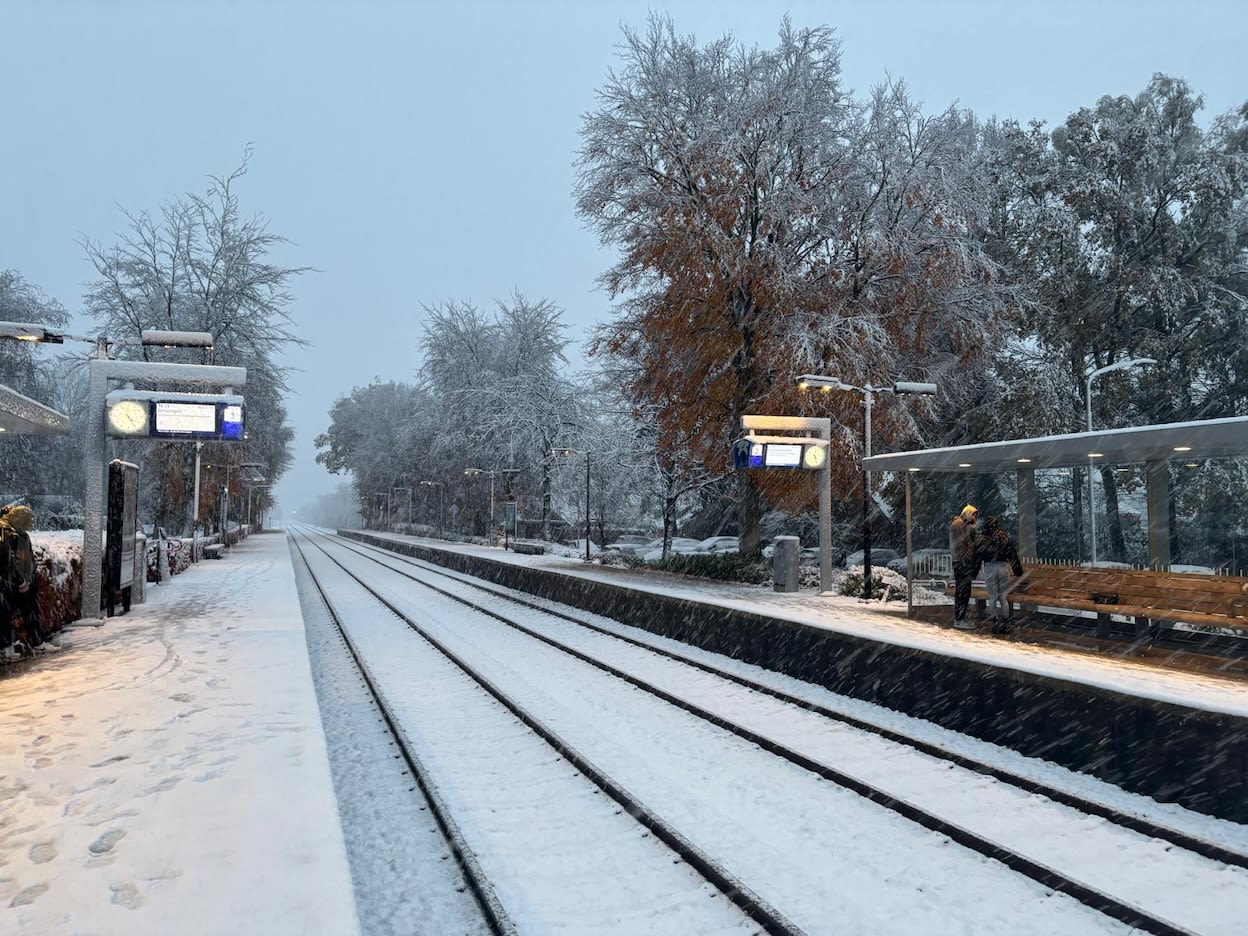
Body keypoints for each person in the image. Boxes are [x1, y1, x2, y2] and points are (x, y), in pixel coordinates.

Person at [0, 504, 47, 656]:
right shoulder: (6, 532)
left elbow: (23, 560)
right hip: (10, 583)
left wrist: (28, 580)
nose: (30, 524)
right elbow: (7, 561)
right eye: (27, 520)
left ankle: (34, 642)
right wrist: (19, 580)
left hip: (17, 583)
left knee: (26, 611)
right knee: (6, 614)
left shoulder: (20, 534)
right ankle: (7, 647)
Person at [975, 514, 1025, 634]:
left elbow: (977, 557)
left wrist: (973, 572)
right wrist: (1018, 570)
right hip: (1003, 567)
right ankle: (1006, 621)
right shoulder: (1003, 537)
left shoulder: (983, 538)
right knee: (1003, 596)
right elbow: (1012, 553)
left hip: (990, 567)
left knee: (992, 596)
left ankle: (995, 620)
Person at [949, 504, 978, 627]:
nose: (974, 518)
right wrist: (966, 558)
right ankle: (960, 618)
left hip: (961, 561)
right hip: (962, 562)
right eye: (973, 515)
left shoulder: (961, 524)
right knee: (963, 590)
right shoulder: (958, 524)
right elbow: (962, 543)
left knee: (963, 590)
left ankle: (960, 617)